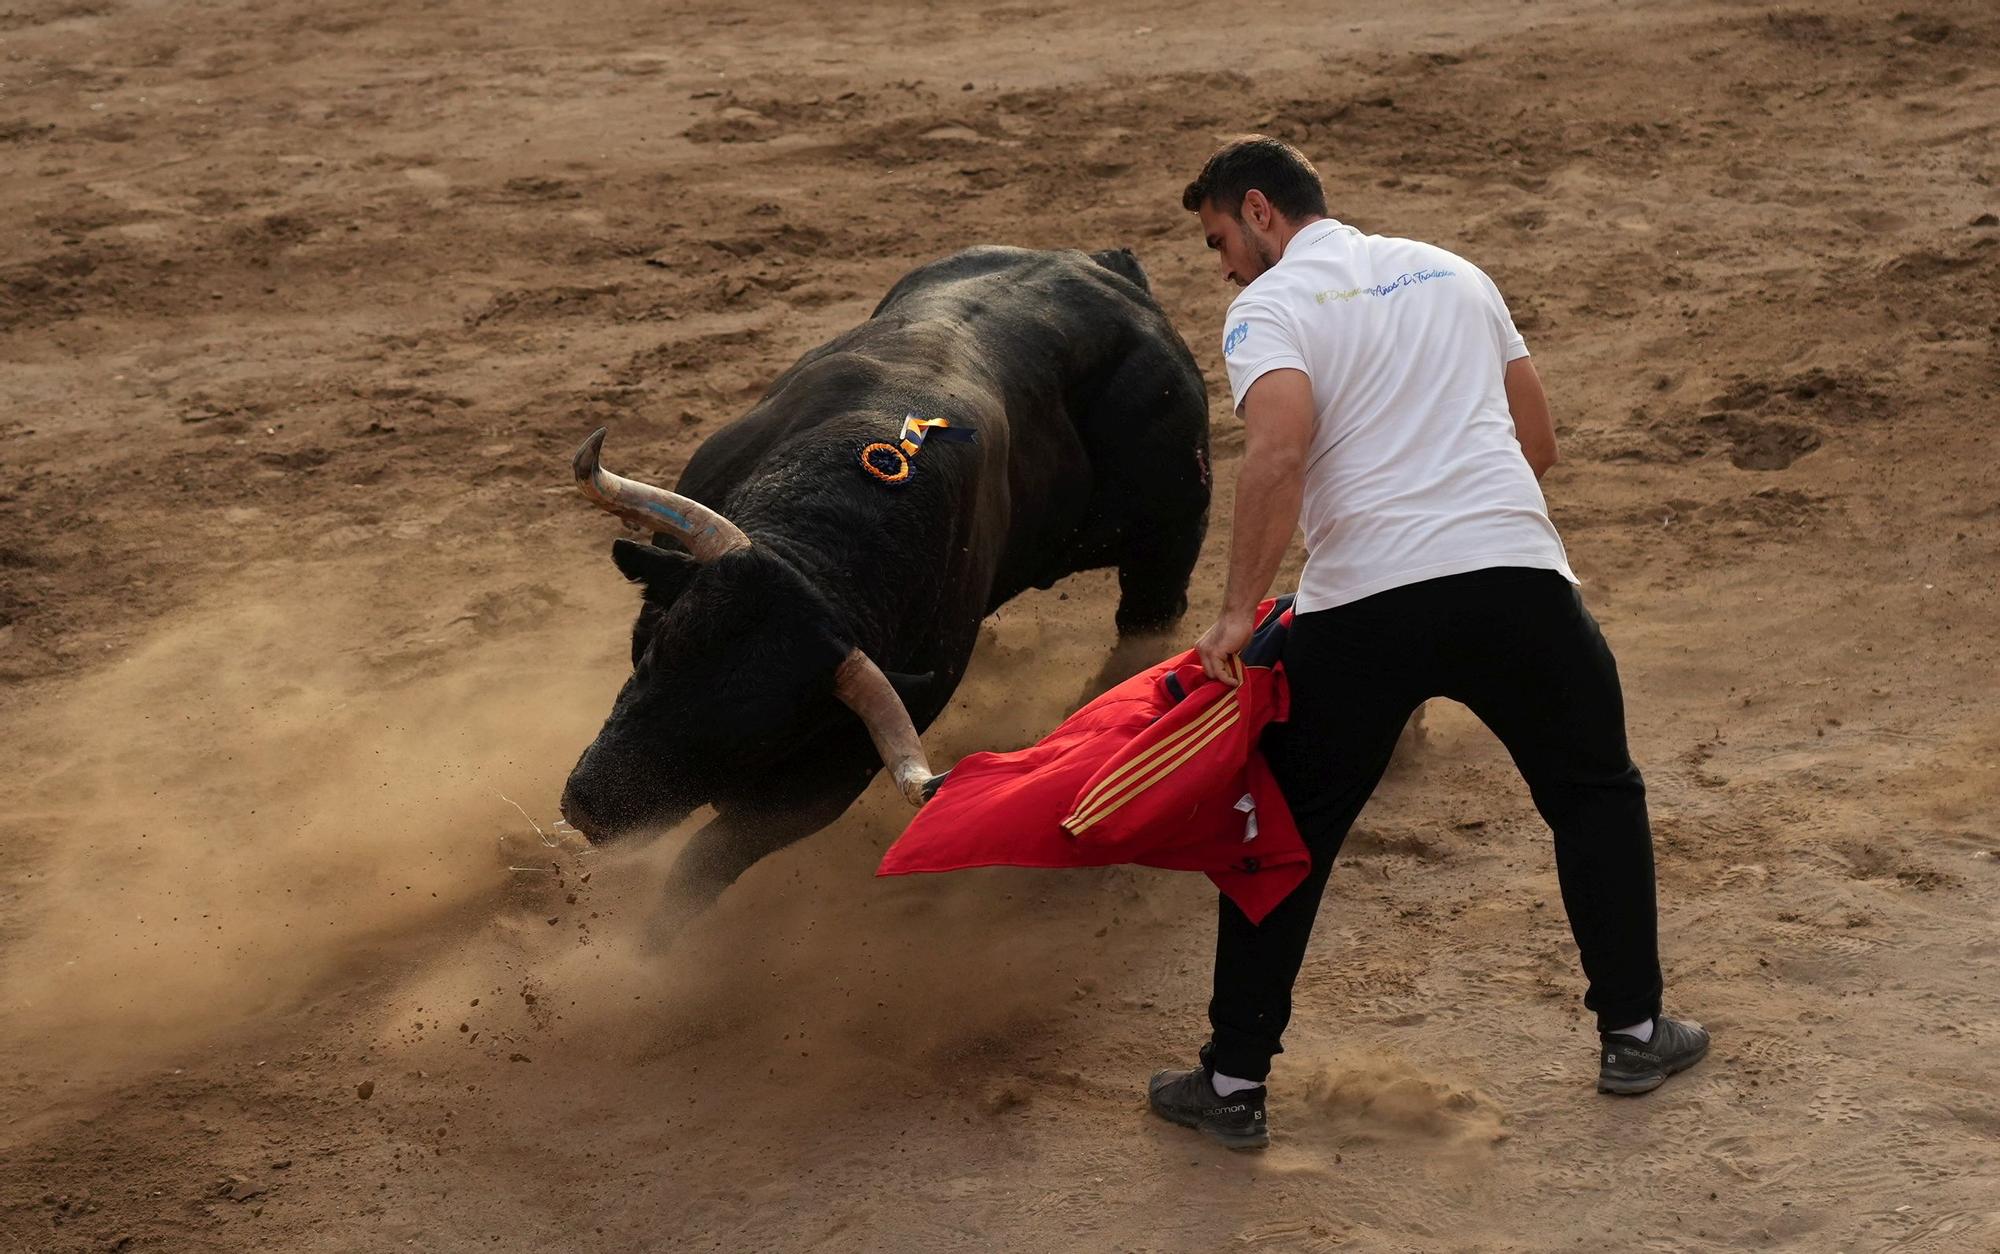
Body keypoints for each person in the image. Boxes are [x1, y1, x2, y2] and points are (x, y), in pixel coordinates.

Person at [1146, 136, 1707, 1151]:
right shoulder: (1455, 271)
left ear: (1260, 211)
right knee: (1592, 796)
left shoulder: (1268, 310)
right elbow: (1534, 445)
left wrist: (1237, 611)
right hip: (1516, 582)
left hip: (1361, 604)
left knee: (1286, 839)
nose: (1222, 264)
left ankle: (1231, 1088)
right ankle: (1632, 1034)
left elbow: (1277, 451)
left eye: (1219, 238)